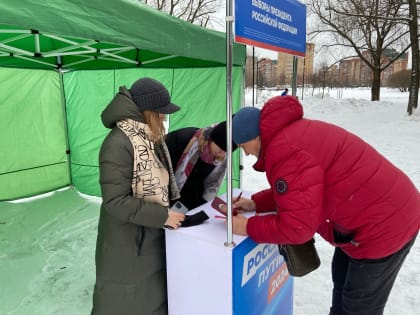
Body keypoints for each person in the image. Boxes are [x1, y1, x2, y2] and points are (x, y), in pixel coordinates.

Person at [230, 95, 420, 315]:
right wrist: (255, 203)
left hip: (386, 225)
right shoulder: (289, 135)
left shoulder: (284, 150)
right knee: (341, 284)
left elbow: (296, 228)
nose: (246, 154)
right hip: (371, 217)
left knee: (357, 306)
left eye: (244, 146)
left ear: (256, 137)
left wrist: (247, 227)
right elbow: (301, 190)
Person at [91, 77, 185, 315]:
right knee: (126, 301)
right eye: (161, 113)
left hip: (147, 236)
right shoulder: (118, 143)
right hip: (126, 243)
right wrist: (162, 216)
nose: (164, 118)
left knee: (149, 298)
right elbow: (115, 201)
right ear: (148, 111)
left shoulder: (146, 137)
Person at [165, 121, 237, 210]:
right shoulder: (182, 139)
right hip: (166, 199)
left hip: (192, 204)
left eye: (226, 151)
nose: (222, 153)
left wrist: (204, 207)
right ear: (211, 139)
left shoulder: (221, 158)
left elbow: (212, 184)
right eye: (221, 148)